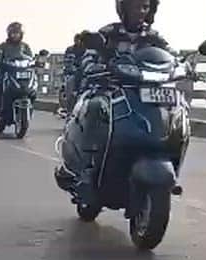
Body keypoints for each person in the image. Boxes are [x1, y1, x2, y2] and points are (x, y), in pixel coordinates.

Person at [71, 0, 170, 200]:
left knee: (174, 110)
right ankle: (88, 171)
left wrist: (184, 68)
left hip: (143, 93)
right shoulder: (108, 33)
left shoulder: (155, 38)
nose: (141, 11)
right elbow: (89, 57)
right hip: (111, 88)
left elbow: (170, 57)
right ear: (124, 8)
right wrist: (94, 66)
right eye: (136, 6)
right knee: (96, 107)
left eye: (145, 7)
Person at [0, 22, 32, 114]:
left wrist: (37, 62)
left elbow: (31, 57)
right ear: (9, 34)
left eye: (17, 33)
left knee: (32, 83)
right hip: (6, 70)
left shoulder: (25, 46)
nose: (15, 35)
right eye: (13, 33)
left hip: (21, 70)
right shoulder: (3, 46)